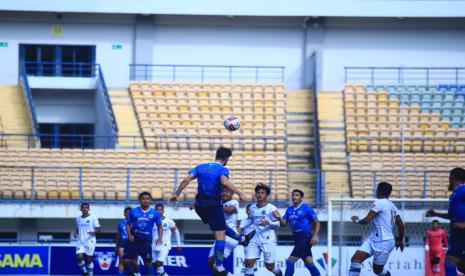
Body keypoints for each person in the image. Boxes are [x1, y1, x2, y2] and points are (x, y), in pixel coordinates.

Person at [169, 147, 254, 276]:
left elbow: (187, 179)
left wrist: (177, 194)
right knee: (220, 236)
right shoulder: (222, 169)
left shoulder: (200, 166)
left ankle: (241, 239)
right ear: (226, 159)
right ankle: (219, 265)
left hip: (199, 205)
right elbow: (224, 181)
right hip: (213, 204)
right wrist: (240, 192)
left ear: (216, 155)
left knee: (220, 226)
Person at [348, 182, 405, 276]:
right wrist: (400, 240)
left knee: (377, 270)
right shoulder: (393, 206)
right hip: (373, 239)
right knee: (355, 260)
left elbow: (367, 220)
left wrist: (357, 220)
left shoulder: (379, 202)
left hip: (384, 243)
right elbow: (401, 225)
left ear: (378, 190)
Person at [426, 167, 465, 276]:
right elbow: (452, 215)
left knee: (449, 263)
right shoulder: (455, 194)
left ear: (452, 178)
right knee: (461, 266)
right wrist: (436, 214)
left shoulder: (463, 190)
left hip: (462, 236)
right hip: (457, 236)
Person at [273, 189, 321, 276]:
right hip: (297, 237)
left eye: (297, 195)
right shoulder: (289, 209)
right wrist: (279, 218)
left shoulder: (307, 209)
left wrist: (315, 236)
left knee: (290, 261)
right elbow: (283, 224)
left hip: (305, 236)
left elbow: (317, 222)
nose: (294, 197)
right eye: (293, 195)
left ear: (301, 197)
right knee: (308, 262)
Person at [239, 183, 283, 276]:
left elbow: (280, 224)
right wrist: (241, 227)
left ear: (266, 195)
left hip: (268, 240)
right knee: (249, 262)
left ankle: (279, 274)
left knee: (270, 267)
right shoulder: (252, 207)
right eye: (258, 192)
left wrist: (269, 223)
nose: (260, 194)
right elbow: (251, 220)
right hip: (254, 239)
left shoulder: (272, 209)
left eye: (262, 193)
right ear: (255, 194)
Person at [206, 187, 247, 276]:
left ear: (232, 194)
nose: (225, 193)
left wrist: (214, 207)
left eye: (227, 192)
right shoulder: (218, 203)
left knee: (216, 264)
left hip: (230, 237)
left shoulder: (234, 202)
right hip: (220, 237)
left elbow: (230, 210)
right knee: (210, 264)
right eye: (223, 191)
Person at [124, 192, 163, 276]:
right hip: (134, 240)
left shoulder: (155, 213)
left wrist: (160, 238)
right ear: (140, 200)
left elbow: (160, 226)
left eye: (147, 199)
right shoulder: (133, 211)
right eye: (143, 198)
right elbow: (128, 224)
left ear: (150, 200)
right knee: (126, 261)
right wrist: (129, 235)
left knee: (147, 263)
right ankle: (135, 274)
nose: (145, 200)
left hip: (146, 241)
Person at [152, 203, 182, 276]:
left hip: (165, 246)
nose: (159, 211)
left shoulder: (169, 221)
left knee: (159, 263)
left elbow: (176, 231)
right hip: (153, 246)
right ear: (154, 211)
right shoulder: (151, 221)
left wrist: (179, 244)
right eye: (157, 210)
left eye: (160, 210)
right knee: (157, 267)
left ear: (163, 211)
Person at [74, 202, 100, 276]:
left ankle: (90, 274)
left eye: (86, 208)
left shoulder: (93, 217)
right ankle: (85, 272)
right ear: (81, 209)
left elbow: (98, 229)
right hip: (80, 241)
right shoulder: (78, 219)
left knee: (89, 259)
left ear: (89, 209)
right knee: (79, 257)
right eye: (83, 208)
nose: (85, 209)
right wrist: (75, 232)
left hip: (90, 240)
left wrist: (94, 232)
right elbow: (78, 228)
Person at [116, 207, 135, 276]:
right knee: (121, 261)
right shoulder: (120, 223)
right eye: (127, 213)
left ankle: (136, 273)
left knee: (133, 262)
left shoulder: (135, 223)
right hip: (123, 243)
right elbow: (118, 235)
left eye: (130, 213)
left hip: (133, 244)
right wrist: (116, 246)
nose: (128, 214)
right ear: (124, 214)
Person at [239, 204, 258, 275]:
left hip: (255, 245)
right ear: (246, 211)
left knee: (248, 263)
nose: (250, 211)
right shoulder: (243, 221)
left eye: (251, 209)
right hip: (246, 245)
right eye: (248, 209)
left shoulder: (257, 221)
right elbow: (240, 232)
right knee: (251, 266)